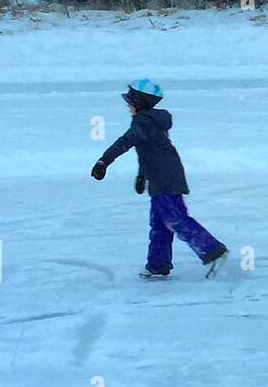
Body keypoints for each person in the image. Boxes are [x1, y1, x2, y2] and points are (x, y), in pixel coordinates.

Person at [90, 79, 229, 278]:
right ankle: (158, 265)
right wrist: (142, 176)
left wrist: (104, 161)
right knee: (160, 224)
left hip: (165, 179)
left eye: (130, 101)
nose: (128, 105)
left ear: (140, 102)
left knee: (175, 219)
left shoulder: (143, 122)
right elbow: (148, 152)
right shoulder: (149, 123)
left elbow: (125, 142)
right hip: (163, 177)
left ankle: (213, 250)